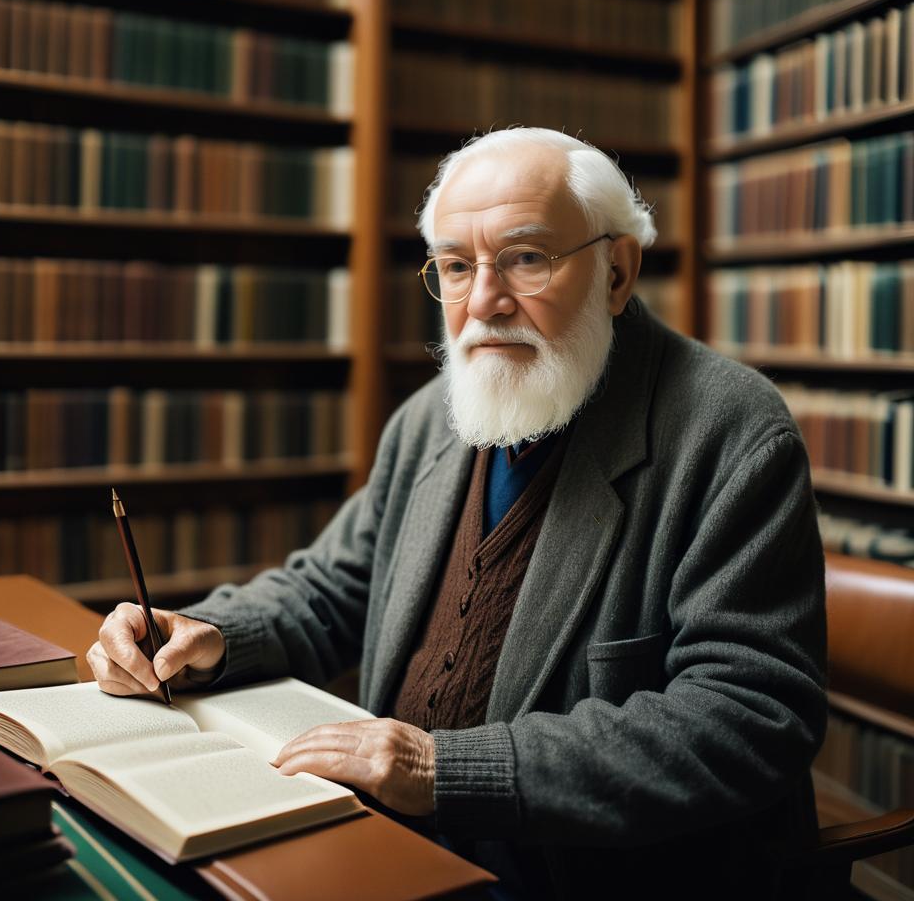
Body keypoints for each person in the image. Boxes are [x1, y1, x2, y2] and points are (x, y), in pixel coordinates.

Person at [88, 128, 827, 898]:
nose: (484, 302)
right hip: (388, 840)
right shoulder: (430, 420)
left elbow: (749, 715)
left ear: (616, 271)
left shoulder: (733, 430)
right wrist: (210, 634)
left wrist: (443, 771)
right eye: (455, 266)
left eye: (526, 258)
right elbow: (333, 586)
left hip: (569, 874)